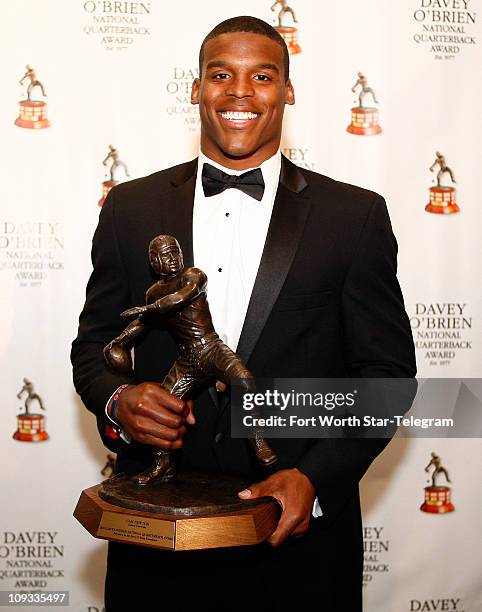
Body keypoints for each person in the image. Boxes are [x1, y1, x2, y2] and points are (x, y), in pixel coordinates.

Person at [71, 16, 416, 610]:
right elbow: (94, 347)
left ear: (288, 90)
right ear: (196, 88)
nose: (239, 92)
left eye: (262, 75)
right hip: (156, 542)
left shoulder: (352, 216)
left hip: (297, 545)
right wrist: (117, 401)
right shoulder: (130, 208)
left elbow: (387, 380)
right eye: (220, 74)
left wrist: (315, 479)